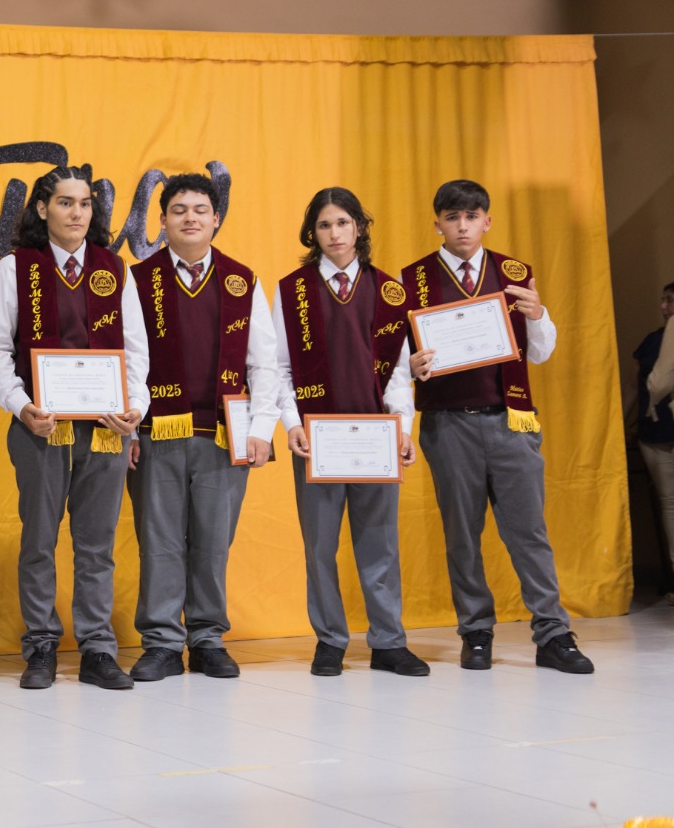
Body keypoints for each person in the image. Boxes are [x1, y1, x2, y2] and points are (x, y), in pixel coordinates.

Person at [406, 179, 593, 673]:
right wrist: (413, 366)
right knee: (462, 534)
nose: (462, 226)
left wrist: (537, 315)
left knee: (528, 531)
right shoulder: (412, 279)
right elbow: (397, 359)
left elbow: (541, 351)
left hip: (510, 421)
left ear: (487, 220)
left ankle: (553, 633)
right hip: (448, 424)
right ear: (438, 224)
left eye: (472, 216)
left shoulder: (514, 273)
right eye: (453, 217)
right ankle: (476, 633)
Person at [0, 166, 148, 691]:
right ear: (43, 209)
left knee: (96, 543)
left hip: (104, 428)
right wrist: (22, 405)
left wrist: (135, 406)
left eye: (85, 204)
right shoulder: (15, 268)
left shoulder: (115, 270)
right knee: (40, 539)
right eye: (66, 203)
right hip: (41, 427)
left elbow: (137, 352)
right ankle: (42, 646)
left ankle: (97, 648)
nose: (77, 213)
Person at [126, 172, 277, 683]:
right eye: (178, 210)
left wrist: (263, 428)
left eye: (199, 210)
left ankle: (208, 637)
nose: (189, 218)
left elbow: (264, 363)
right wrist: (128, 430)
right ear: (163, 219)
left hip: (223, 433)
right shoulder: (136, 279)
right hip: (156, 432)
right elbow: (126, 359)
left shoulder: (242, 280)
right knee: (160, 539)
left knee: (214, 539)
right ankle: (162, 641)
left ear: (216, 218)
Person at [272, 188, 428, 677]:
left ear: (359, 227)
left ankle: (388, 642)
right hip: (316, 437)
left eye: (343, 223)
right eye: (324, 225)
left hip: (374, 435)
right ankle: (330, 640)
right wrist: (292, 424)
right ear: (312, 233)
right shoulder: (292, 290)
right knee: (319, 544)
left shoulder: (389, 291)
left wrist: (403, 427)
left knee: (379, 540)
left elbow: (401, 372)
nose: (334, 233)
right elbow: (278, 367)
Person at [633, 282, 674, 596]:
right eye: (663, 299)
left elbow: (655, 384)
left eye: (670, 300)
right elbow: (639, 388)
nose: (664, 306)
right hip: (656, 432)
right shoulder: (653, 340)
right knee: (669, 505)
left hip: (660, 424)